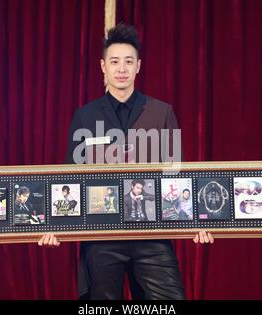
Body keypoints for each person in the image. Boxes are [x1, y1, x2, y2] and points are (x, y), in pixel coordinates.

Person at [39, 23, 214, 300]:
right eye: (115, 61)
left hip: (151, 233)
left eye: (128, 62)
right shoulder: (85, 116)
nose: (122, 69)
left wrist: (196, 220)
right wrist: (55, 226)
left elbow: (177, 175)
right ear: (103, 66)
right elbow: (69, 179)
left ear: (138, 66)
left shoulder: (161, 112)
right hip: (101, 235)